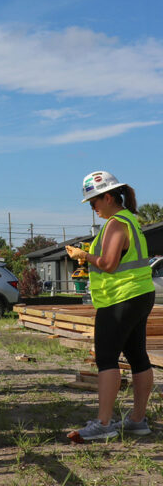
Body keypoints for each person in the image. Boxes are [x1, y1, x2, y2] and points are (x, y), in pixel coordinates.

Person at [65, 171, 155, 441]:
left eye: (94, 202)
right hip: (138, 294)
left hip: (120, 299)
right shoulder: (130, 220)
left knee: (106, 359)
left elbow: (108, 264)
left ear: (108, 197)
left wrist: (84, 255)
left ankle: (103, 424)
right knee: (138, 356)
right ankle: (138, 419)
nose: (93, 208)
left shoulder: (116, 224)